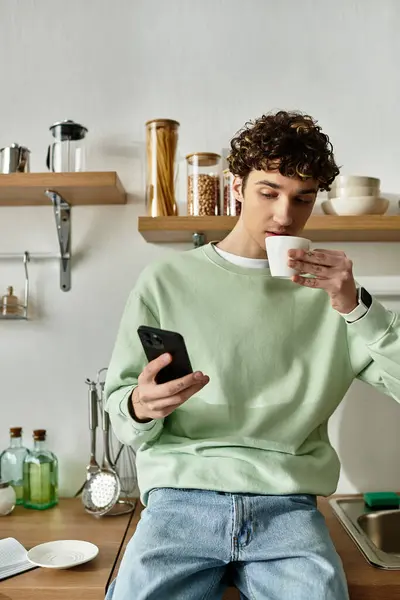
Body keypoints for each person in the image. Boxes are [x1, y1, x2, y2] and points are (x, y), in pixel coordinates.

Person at [104, 110, 400, 600]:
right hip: (179, 501)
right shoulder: (165, 281)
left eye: (303, 198)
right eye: (269, 192)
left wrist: (357, 308)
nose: (285, 215)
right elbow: (122, 410)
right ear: (236, 186)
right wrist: (140, 406)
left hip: (288, 510)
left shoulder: (335, 296)